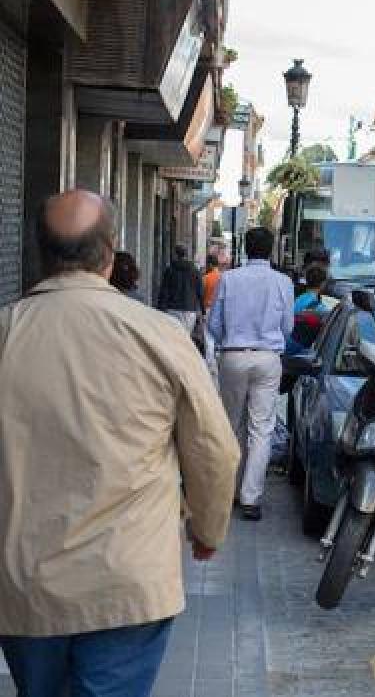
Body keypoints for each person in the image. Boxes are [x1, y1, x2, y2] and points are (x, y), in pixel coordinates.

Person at [0, 191, 239, 695]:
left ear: (40, 252)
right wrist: (207, 528)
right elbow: (215, 449)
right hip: (127, 579)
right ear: (111, 251)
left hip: (23, 579)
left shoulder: (6, 333)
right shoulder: (157, 334)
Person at [207, 227, 294, 522]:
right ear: (270, 250)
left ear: (245, 247)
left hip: (233, 355)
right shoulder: (283, 282)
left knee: (232, 424)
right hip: (268, 357)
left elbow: (214, 323)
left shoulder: (229, 279)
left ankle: (227, 490)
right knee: (261, 428)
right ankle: (251, 497)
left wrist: (227, 342)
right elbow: (288, 327)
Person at [156, 244, 204, 335]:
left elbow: (164, 291)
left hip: (172, 308)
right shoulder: (195, 271)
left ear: (175, 254)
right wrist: (202, 310)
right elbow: (200, 292)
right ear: (187, 254)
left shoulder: (169, 270)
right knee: (185, 338)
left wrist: (160, 308)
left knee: (172, 336)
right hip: (190, 309)